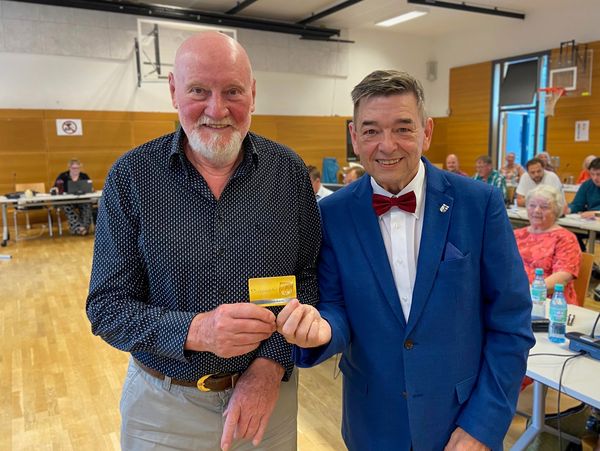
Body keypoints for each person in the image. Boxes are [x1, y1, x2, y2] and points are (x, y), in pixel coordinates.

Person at [86, 32, 320, 451]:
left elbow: (308, 279)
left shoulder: (288, 173)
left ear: (253, 93)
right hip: (163, 408)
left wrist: (268, 367)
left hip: (268, 402)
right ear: (174, 92)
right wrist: (196, 330)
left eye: (232, 91)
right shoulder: (132, 178)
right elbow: (106, 308)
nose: (217, 109)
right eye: (199, 91)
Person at [277, 70, 534, 450]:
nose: (386, 145)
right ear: (354, 137)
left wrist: (484, 424)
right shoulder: (332, 214)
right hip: (372, 423)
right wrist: (323, 330)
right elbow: (336, 306)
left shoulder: (479, 204)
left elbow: (511, 323)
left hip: (461, 421)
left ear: (426, 132)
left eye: (403, 128)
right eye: (371, 131)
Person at [514, 185, 581, 304]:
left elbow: (562, 277)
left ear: (556, 211)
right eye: (532, 205)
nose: (536, 210)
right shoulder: (516, 235)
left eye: (544, 207)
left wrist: (526, 293)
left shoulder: (566, 239)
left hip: (550, 304)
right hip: (513, 297)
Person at [54, 159, 93, 235]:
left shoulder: (84, 176)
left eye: (77, 168)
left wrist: (91, 189)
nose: (76, 170)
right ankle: (81, 228)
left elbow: (90, 187)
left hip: (82, 199)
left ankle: (81, 228)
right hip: (68, 200)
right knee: (66, 206)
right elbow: (55, 187)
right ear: (69, 168)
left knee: (88, 205)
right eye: (73, 168)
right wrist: (56, 189)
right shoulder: (63, 176)